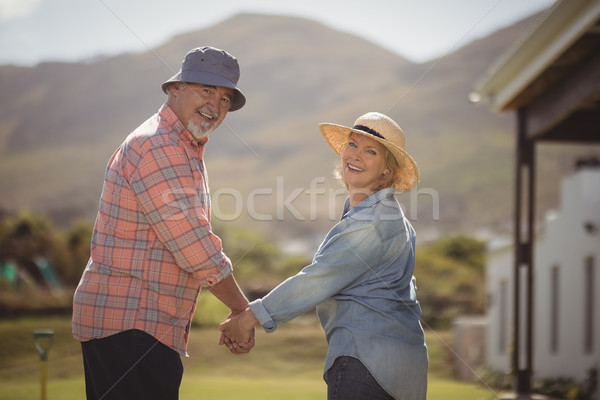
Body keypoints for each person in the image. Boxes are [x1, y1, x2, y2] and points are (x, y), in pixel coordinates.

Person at [72, 46, 254, 400]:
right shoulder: (160, 146)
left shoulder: (180, 146)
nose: (215, 106)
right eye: (206, 90)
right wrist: (242, 310)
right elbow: (194, 246)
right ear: (176, 88)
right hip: (131, 326)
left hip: (138, 329)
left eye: (225, 98)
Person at [219, 112, 428, 400]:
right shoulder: (390, 218)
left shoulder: (371, 223)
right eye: (352, 144)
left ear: (386, 170)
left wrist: (247, 319)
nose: (355, 155)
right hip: (398, 372)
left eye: (371, 151)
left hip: (366, 366)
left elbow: (317, 279)